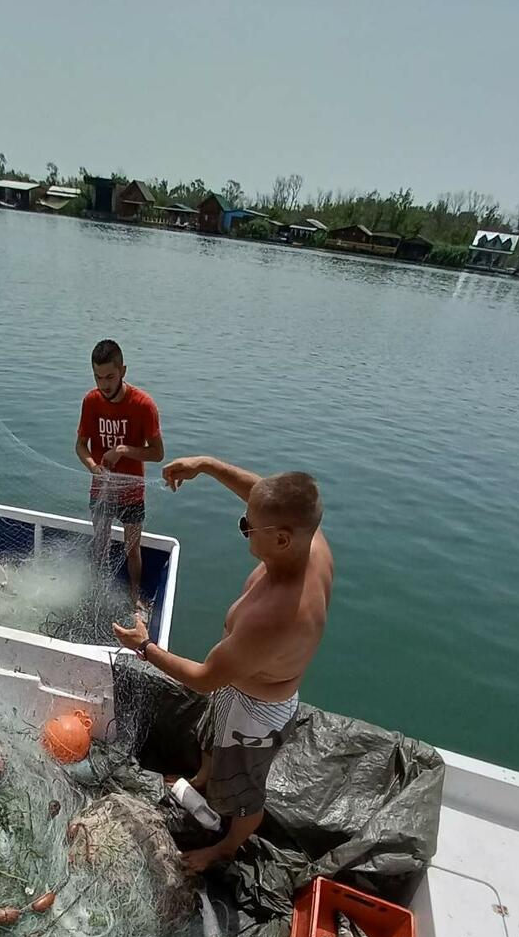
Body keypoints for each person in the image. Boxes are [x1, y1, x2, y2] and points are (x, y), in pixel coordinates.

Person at [113, 456, 333, 871]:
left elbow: (203, 679)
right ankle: (199, 781)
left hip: (257, 715)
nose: (244, 527)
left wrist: (145, 647)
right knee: (211, 739)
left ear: (283, 539)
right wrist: (206, 466)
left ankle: (226, 846)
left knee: (243, 791)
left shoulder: (277, 616)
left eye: (247, 526)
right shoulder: (311, 540)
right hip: (240, 683)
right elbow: (261, 495)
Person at [75, 339, 164, 611]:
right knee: (99, 543)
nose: (104, 384)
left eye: (110, 377)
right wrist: (92, 467)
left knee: (132, 548)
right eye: (98, 377)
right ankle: (96, 589)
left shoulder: (143, 404)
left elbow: (157, 453)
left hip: (132, 491)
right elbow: (80, 445)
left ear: (123, 371)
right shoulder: (91, 401)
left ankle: (134, 595)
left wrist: (124, 450)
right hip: (100, 489)